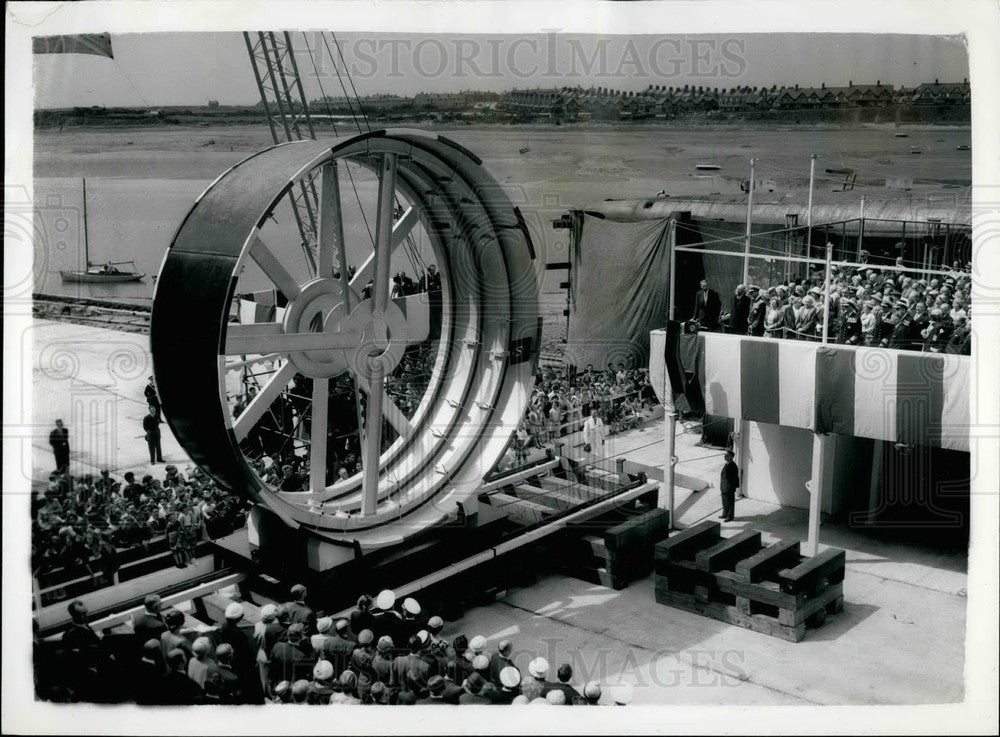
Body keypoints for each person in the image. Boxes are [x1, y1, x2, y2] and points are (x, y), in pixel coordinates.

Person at [719, 449, 739, 522]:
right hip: (724, 487)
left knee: (730, 502)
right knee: (724, 501)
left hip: (729, 488)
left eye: (726, 455)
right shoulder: (727, 464)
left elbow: (735, 478)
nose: (724, 456)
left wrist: (732, 488)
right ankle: (725, 514)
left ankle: (730, 516)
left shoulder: (733, 466)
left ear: (731, 457)